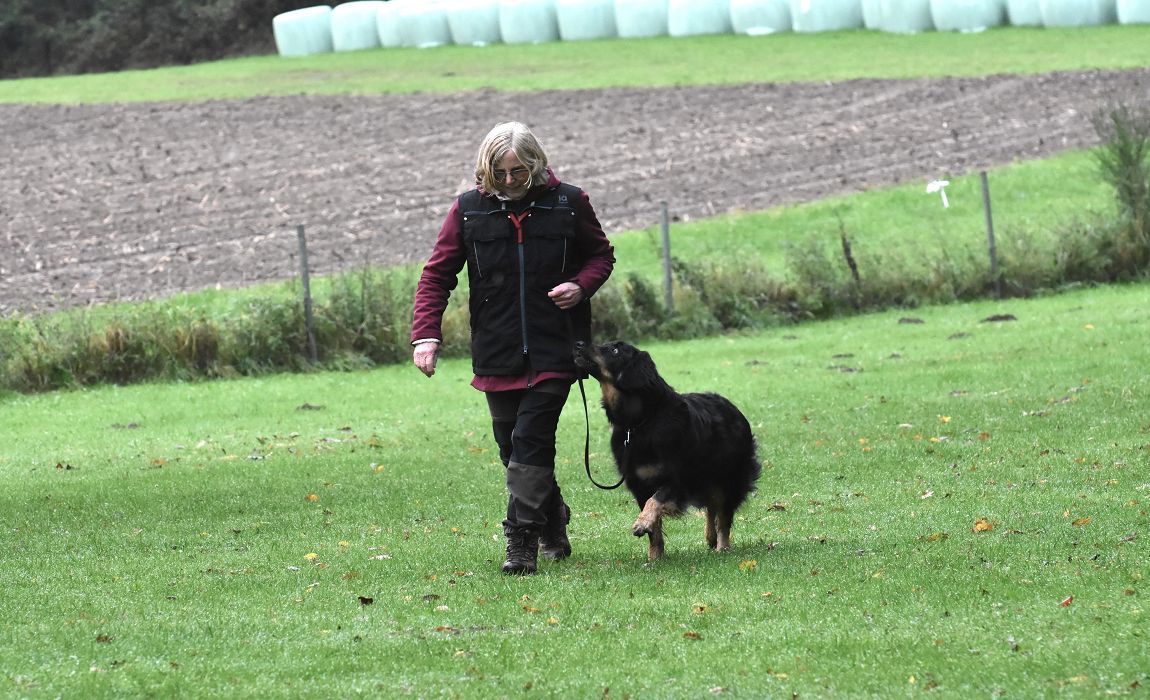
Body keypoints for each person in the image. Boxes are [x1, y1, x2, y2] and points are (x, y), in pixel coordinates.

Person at [411, 122, 615, 575]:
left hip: (556, 348)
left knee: (530, 439)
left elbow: (601, 256)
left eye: (518, 173)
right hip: (497, 350)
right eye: (498, 174)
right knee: (513, 448)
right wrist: (426, 335)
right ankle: (552, 517)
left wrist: (580, 286)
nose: (508, 183)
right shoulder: (467, 211)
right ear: (484, 170)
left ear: (536, 165)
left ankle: (521, 542)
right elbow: (437, 275)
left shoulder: (569, 203)